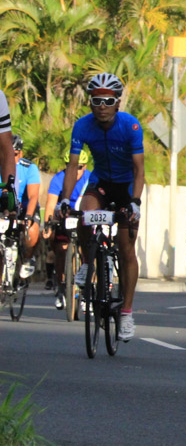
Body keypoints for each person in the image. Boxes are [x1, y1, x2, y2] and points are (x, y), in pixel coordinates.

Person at [60, 73, 146, 342]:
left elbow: (139, 168)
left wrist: (135, 202)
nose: (102, 106)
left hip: (127, 187)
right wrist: (64, 199)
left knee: (126, 247)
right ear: (90, 102)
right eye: (96, 100)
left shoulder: (130, 126)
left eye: (108, 100)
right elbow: (73, 167)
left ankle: (127, 313)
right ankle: (87, 263)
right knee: (85, 216)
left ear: (117, 102)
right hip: (101, 182)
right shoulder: (82, 126)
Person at [44, 150, 92, 308]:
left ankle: (89, 290)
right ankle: (61, 286)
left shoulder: (91, 178)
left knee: (92, 251)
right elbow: (50, 204)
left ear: (84, 167)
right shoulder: (59, 178)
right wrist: (47, 225)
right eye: (70, 166)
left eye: (79, 167)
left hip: (84, 215)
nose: (75, 170)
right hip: (65, 217)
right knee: (61, 249)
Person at [11, 135, 43, 285]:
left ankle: (28, 258)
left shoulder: (29, 167)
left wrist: (28, 217)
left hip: (25, 207)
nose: (11, 158)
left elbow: (33, 196)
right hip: (5, 206)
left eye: (15, 154)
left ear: (20, 153)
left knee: (31, 231)